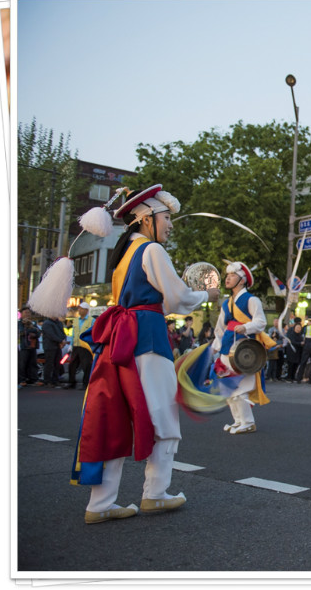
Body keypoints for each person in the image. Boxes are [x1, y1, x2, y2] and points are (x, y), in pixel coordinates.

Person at [71, 184, 219, 524]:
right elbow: (177, 298)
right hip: (147, 338)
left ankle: (101, 503)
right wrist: (206, 296)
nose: (170, 225)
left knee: (115, 416)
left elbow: (156, 299)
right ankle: (155, 494)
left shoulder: (124, 253)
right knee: (164, 415)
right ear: (146, 218)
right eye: (167, 218)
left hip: (119, 338)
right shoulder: (152, 250)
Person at [211, 261, 273, 435]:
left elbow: (261, 322)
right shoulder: (227, 303)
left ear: (242, 280)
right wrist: (216, 346)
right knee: (229, 389)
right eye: (227, 275)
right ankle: (238, 421)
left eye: (232, 275)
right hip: (227, 348)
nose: (228, 278)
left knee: (240, 389)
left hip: (244, 350)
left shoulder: (252, 300)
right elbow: (220, 328)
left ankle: (248, 422)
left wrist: (245, 327)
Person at [66, 302, 94, 390]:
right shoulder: (76, 320)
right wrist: (71, 344)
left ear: (86, 310)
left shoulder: (92, 320)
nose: (79, 310)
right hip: (76, 345)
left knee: (86, 366)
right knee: (72, 365)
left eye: (81, 309)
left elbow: (93, 333)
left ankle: (86, 384)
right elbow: (74, 333)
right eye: (79, 308)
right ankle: (71, 382)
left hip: (85, 346)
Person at [18, 306, 41, 388]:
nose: (27, 314)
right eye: (26, 312)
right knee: (22, 364)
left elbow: (38, 332)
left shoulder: (33, 323)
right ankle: (22, 380)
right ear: (21, 314)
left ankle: (34, 379)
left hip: (33, 346)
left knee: (33, 363)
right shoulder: (19, 323)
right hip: (23, 346)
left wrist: (32, 331)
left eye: (28, 312)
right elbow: (21, 332)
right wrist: (30, 330)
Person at [41, 316, 66, 386]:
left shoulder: (59, 323)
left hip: (58, 346)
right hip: (50, 346)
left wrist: (63, 340)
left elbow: (62, 333)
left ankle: (55, 379)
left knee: (57, 364)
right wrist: (61, 341)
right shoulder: (47, 323)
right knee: (49, 364)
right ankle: (47, 380)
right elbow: (51, 335)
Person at [296, 318, 311, 383]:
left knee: (303, 363)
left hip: (307, 347)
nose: (308, 323)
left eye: (309, 321)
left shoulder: (307, 328)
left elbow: (303, 335)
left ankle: (299, 378)